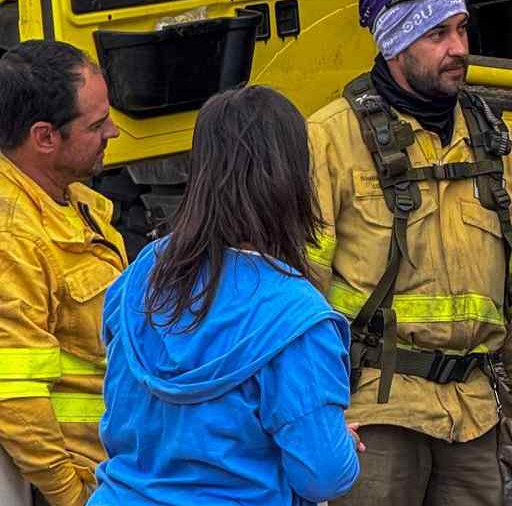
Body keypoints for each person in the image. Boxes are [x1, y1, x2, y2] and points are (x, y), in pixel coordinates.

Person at [308, 0, 512, 506]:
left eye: (461, 29)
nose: (458, 48)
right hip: (375, 413)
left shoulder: (493, 138)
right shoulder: (330, 139)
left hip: (474, 414)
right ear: (395, 46)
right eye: (437, 34)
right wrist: (314, 417)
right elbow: (302, 292)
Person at [90, 85, 360, 505]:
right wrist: (341, 444)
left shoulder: (141, 274)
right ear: (293, 177)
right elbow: (322, 477)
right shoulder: (296, 317)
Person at [0, 40, 125, 506]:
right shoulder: (13, 236)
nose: (113, 131)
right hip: (80, 483)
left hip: (113, 465)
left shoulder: (71, 200)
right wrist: (72, 496)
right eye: (96, 124)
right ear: (44, 137)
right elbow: (15, 394)